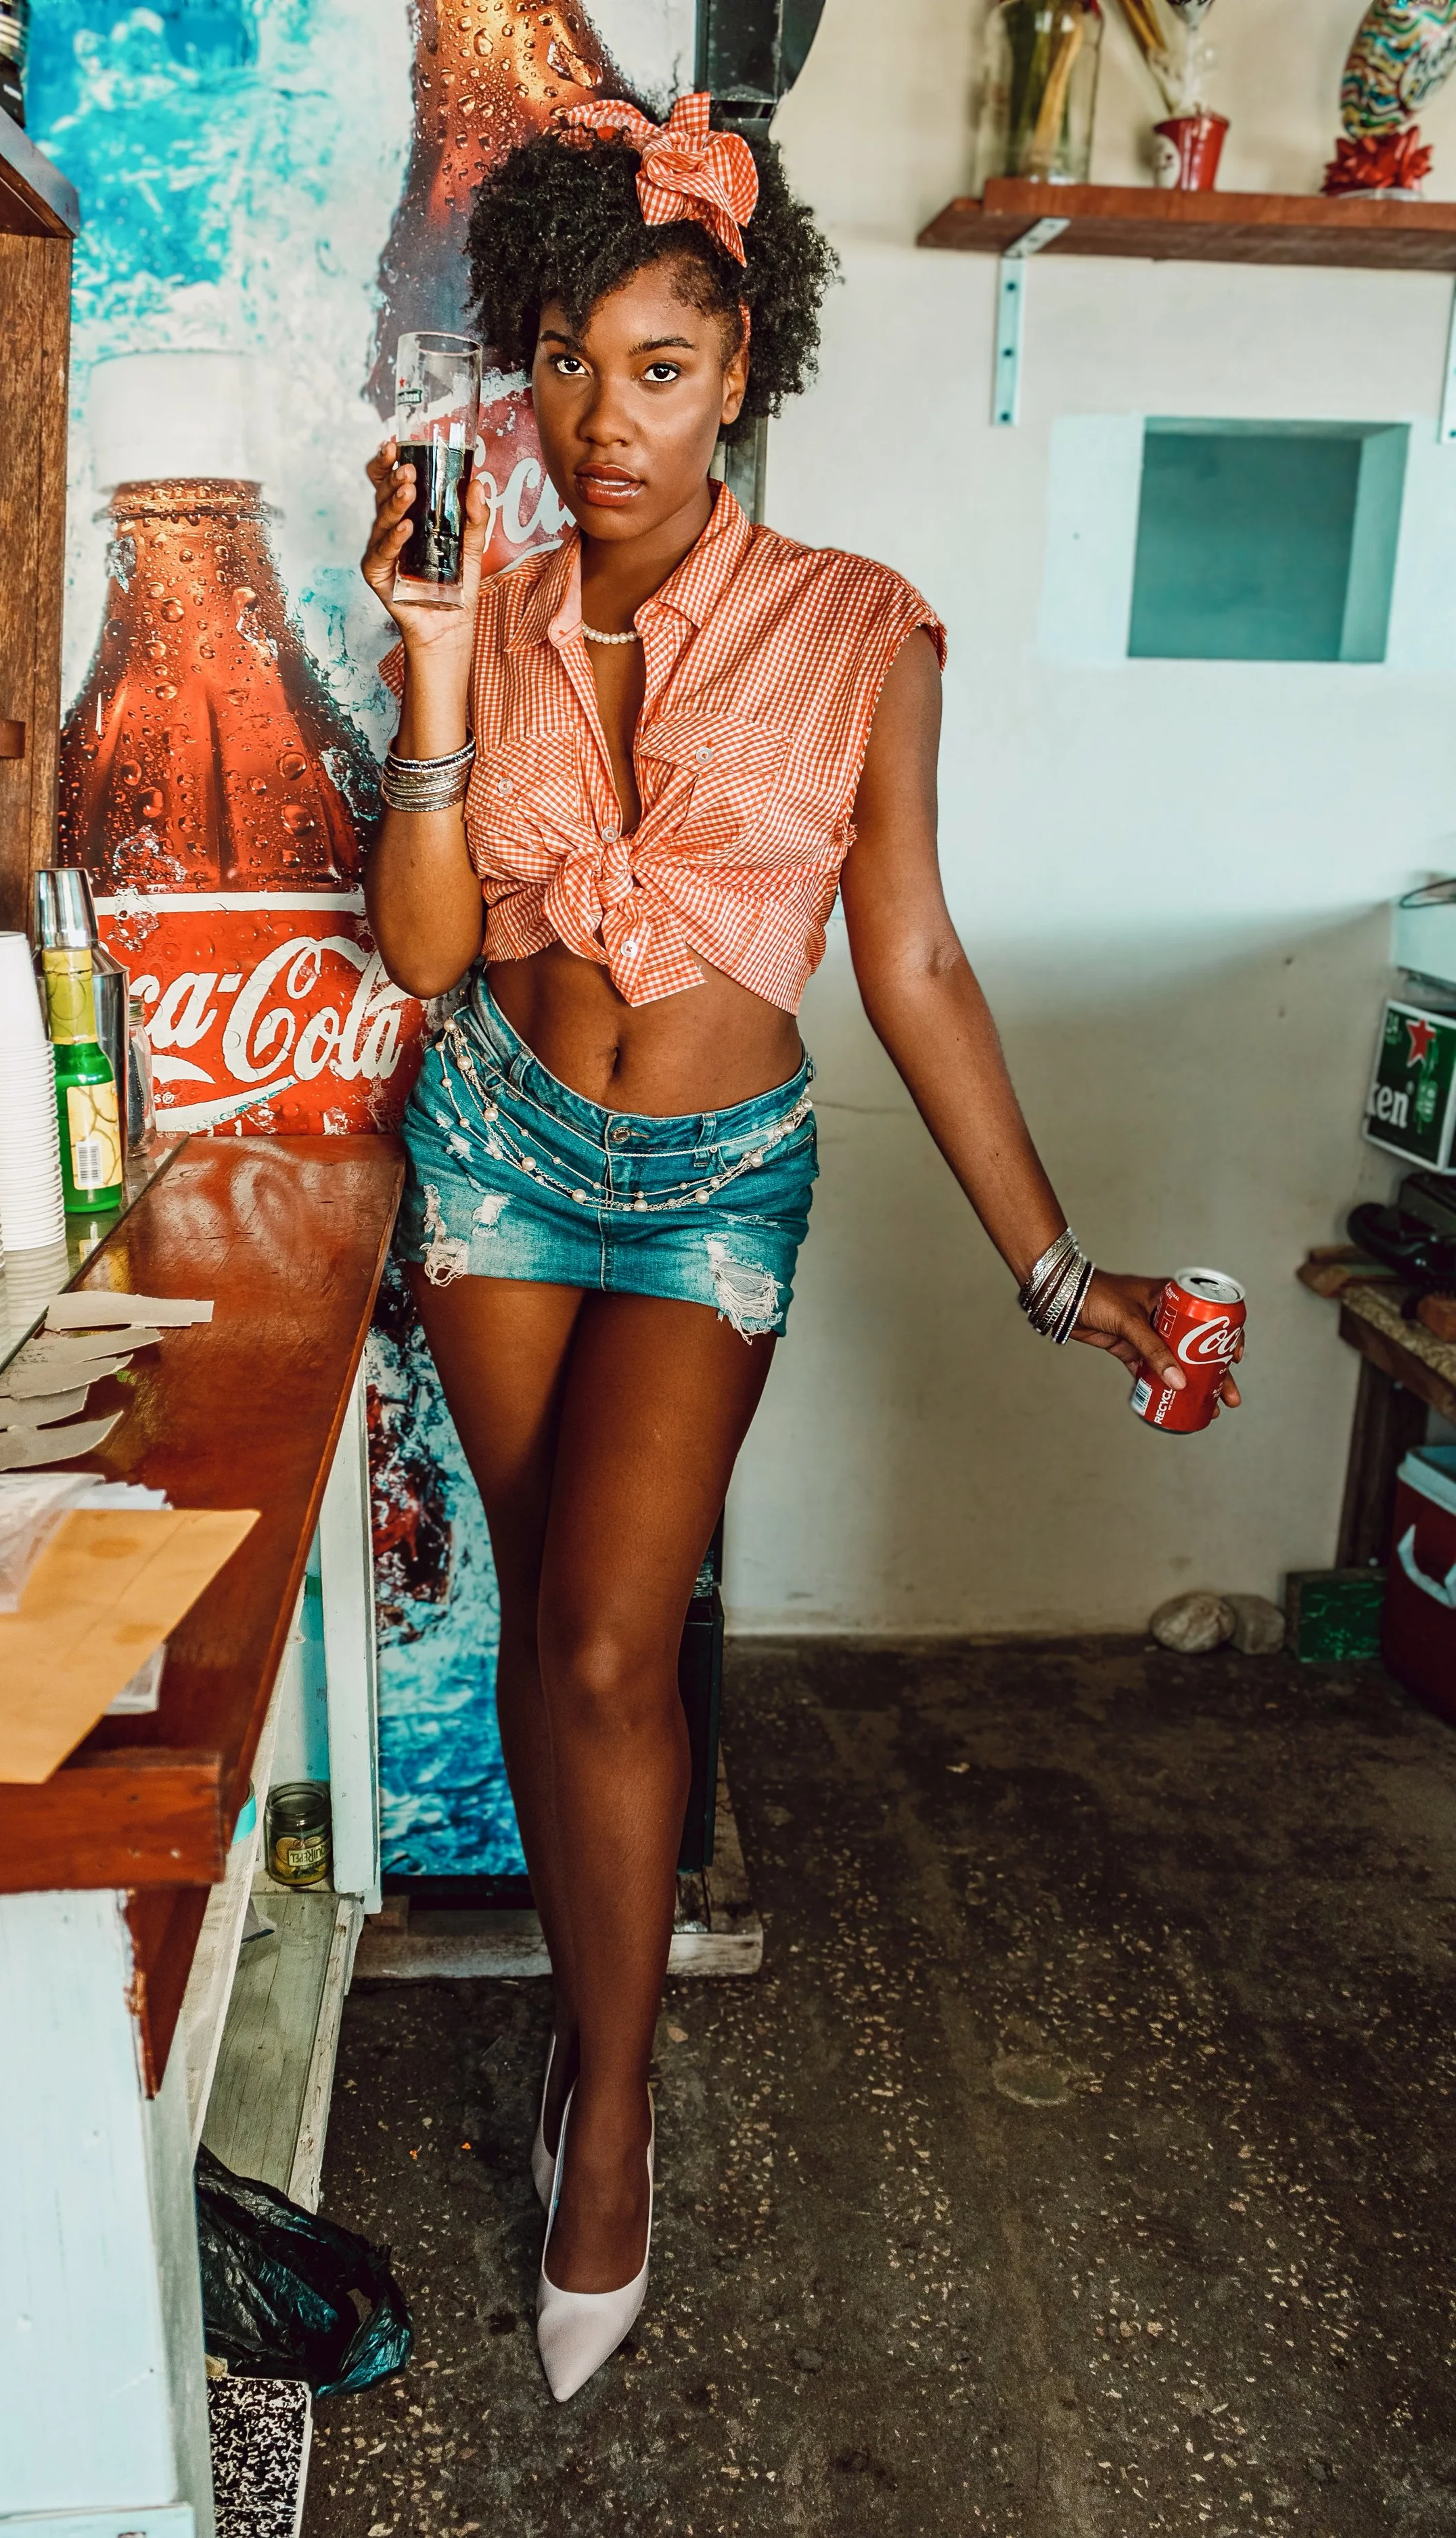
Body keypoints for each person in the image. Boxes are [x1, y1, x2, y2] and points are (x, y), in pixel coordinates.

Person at [361, 91, 1241, 2404]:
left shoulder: (863, 631)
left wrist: (1061, 1274)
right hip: (492, 1153)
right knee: (555, 1640)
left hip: (710, 1181)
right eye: (561, 360)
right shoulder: (491, 601)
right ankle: (598, 2011)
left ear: (739, 367)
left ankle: (612, 2112)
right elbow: (426, 950)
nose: (601, 419)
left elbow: (916, 958)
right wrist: (437, 680)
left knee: (605, 1643)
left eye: (656, 366)